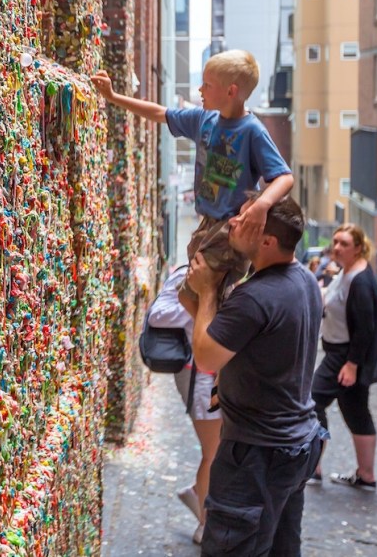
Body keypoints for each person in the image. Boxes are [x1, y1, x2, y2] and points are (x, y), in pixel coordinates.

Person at [180, 195, 323, 556]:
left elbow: (207, 354)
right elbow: (256, 344)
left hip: (257, 455)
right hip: (296, 444)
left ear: (267, 241)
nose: (233, 224)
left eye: (245, 221)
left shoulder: (256, 296)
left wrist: (207, 291)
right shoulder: (304, 279)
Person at [92, 49, 293, 265]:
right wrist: (113, 97)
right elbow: (160, 113)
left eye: (207, 85)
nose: (200, 89)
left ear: (230, 91)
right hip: (207, 223)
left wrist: (261, 205)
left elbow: (284, 177)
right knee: (191, 288)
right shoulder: (204, 119)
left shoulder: (253, 131)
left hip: (230, 229)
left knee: (199, 287)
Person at [146, 228, 246, 545]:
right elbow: (158, 315)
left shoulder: (231, 282)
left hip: (218, 377)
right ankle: (204, 522)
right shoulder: (186, 277)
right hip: (198, 376)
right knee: (212, 453)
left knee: (218, 449)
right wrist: (200, 303)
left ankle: (197, 496)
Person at [309, 223, 377, 489]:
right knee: (355, 411)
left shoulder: (361, 280)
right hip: (341, 352)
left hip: (344, 355)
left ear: (359, 248)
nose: (337, 248)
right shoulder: (347, 271)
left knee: (312, 402)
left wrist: (352, 364)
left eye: (344, 244)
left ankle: (312, 467)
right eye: (336, 242)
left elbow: (366, 328)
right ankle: (366, 476)